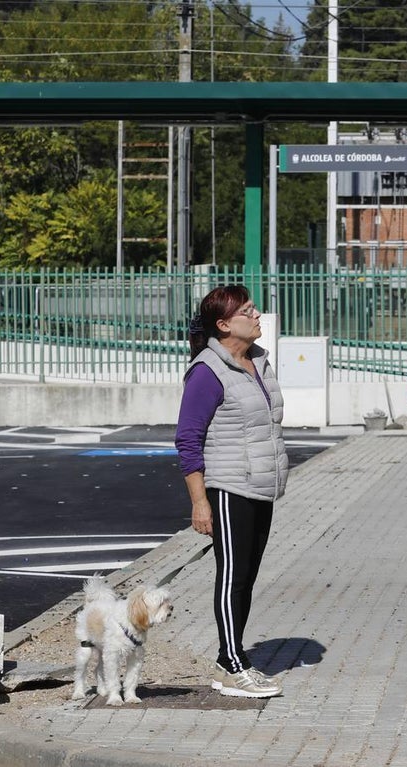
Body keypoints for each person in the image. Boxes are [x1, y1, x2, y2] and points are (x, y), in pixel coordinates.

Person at [174, 284, 289, 699]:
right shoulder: (208, 370)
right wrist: (199, 501)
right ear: (224, 325)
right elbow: (188, 439)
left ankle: (234, 657)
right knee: (232, 578)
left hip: (260, 487)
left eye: (254, 308)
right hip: (227, 488)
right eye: (247, 310)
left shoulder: (258, 361)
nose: (257, 315)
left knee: (248, 577)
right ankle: (230, 663)